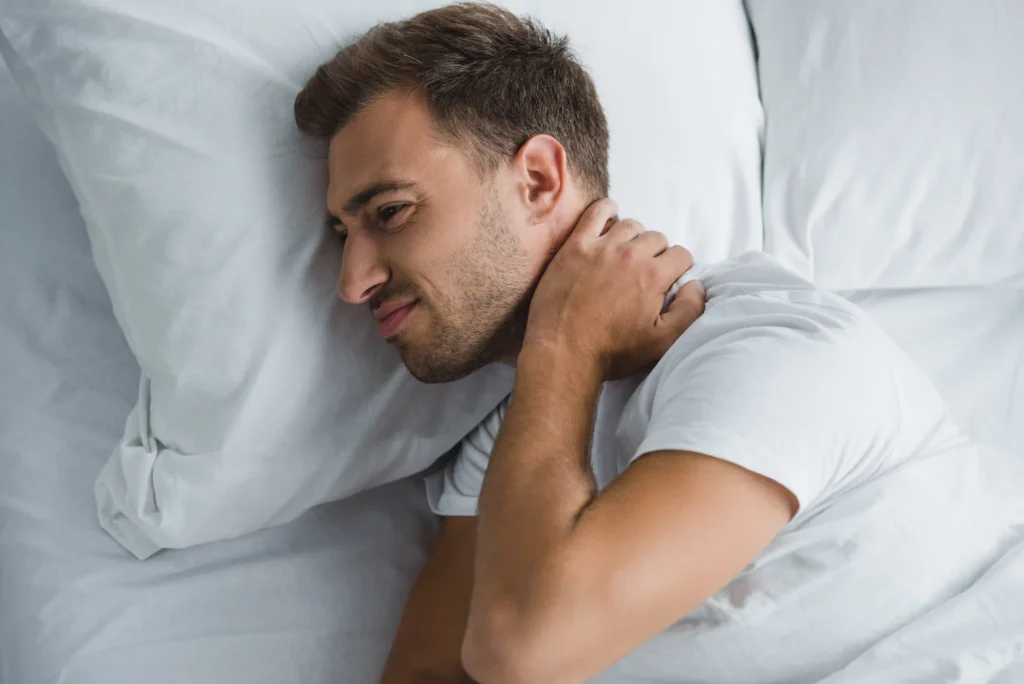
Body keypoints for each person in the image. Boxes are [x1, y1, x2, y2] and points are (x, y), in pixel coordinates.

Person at [294, 4, 1022, 683]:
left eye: (390, 211)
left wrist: (565, 346)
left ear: (540, 181)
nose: (352, 282)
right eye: (340, 235)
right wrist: (560, 360)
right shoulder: (519, 436)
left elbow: (519, 648)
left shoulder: (773, 351)